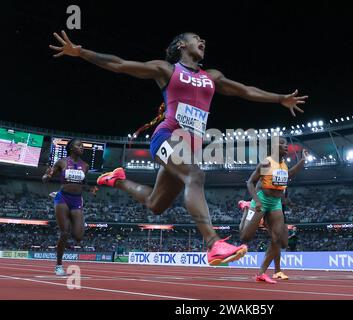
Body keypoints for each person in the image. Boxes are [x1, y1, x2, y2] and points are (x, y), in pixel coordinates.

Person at [50, 31, 308, 266]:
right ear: (181, 45)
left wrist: (279, 99)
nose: (203, 41)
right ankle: (212, 243)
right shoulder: (166, 70)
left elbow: (244, 91)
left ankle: (118, 180)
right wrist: (81, 52)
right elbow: (119, 65)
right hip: (167, 136)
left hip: (189, 147)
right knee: (195, 174)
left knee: (155, 204)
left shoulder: (212, 77)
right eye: (197, 38)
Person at [240, 139, 307, 283]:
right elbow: (250, 182)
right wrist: (256, 201)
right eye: (282, 145)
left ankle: (261, 272)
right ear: (275, 148)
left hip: (275, 203)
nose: (286, 147)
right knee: (245, 237)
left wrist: (302, 161)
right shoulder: (266, 163)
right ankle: (245, 208)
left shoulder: (283, 165)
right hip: (261, 200)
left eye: (286, 145)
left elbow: (289, 174)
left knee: (277, 239)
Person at [42, 138, 89, 276]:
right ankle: (58, 265)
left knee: (79, 236)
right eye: (79, 145)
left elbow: (83, 184)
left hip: (76, 200)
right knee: (64, 233)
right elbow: (46, 178)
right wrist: (47, 175)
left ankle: (72, 222)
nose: (82, 147)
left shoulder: (85, 166)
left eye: (82, 146)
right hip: (62, 198)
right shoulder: (62, 162)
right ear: (71, 148)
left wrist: (91, 189)